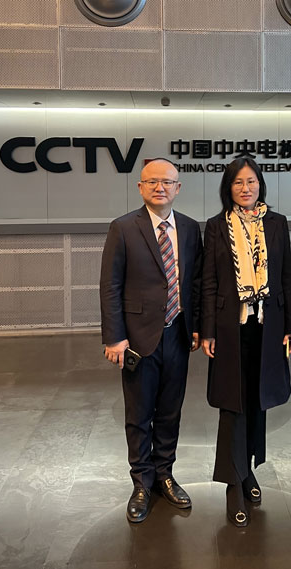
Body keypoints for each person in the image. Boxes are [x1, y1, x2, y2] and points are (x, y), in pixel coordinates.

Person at [100, 158, 203, 523]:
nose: (160, 187)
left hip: (178, 334)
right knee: (139, 414)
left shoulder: (189, 228)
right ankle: (142, 482)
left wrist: (197, 326)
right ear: (140, 187)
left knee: (171, 412)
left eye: (167, 182)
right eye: (152, 182)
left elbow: (195, 283)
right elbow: (110, 285)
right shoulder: (124, 227)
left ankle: (165, 475)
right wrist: (115, 337)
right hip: (138, 339)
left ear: (178, 188)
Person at [201, 157, 291, 527]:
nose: (246, 188)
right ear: (228, 188)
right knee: (233, 404)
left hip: (268, 327)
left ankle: (248, 470)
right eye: (238, 182)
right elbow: (209, 281)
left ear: (261, 185)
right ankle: (233, 483)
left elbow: (286, 275)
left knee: (258, 401)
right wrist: (208, 330)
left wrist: (289, 326)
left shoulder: (277, 223)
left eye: (252, 181)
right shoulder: (216, 226)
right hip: (230, 327)